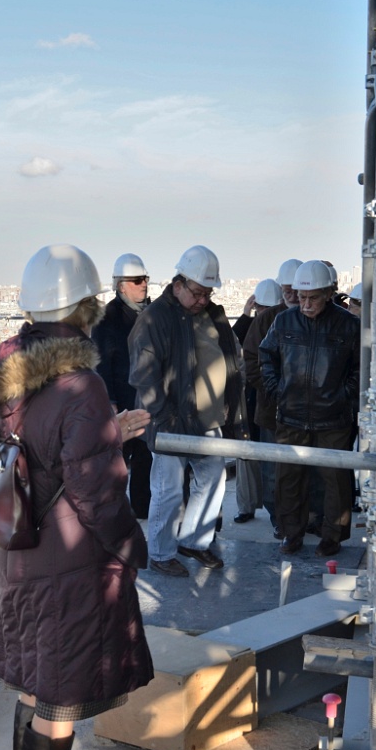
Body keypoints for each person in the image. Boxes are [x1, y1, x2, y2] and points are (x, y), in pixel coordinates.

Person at [0, 244, 154, 750]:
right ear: (84, 309)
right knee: (59, 703)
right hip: (68, 565)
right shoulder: (80, 385)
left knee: (34, 684)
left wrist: (108, 430)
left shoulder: (9, 371)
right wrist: (131, 547)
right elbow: (94, 489)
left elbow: (38, 450)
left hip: (19, 551)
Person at [128, 244, 246, 577]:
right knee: (167, 492)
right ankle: (161, 553)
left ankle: (194, 540)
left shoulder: (212, 314)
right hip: (170, 423)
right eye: (198, 292)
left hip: (207, 420)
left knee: (212, 481)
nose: (203, 299)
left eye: (208, 292)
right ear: (178, 284)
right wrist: (164, 419)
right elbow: (142, 375)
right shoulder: (155, 318)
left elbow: (231, 360)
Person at [259, 260, 361, 557]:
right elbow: (266, 356)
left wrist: (343, 395)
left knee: (336, 480)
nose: (305, 304)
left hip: (334, 417)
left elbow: (360, 366)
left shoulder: (348, 324)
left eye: (312, 297)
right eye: (301, 297)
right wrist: (278, 390)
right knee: (289, 478)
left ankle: (333, 536)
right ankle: (292, 533)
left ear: (329, 293)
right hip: (291, 416)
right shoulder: (283, 321)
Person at [242, 259, 301, 537]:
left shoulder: (320, 317)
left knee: (306, 467)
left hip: (311, 413)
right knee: (272, 470)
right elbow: (251, 360)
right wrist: (271, 392)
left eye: (294, 287)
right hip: (272, 411)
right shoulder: (267, 320)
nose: (289, 292)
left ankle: (303, 517)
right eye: (285, 287)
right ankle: (280, 519)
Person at [92, 253, 153, 519]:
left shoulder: (151, 313)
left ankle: (141, 511)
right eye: (137, 280)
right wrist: (110, 402)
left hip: (147, 400)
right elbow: (102, 364)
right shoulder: (106, 319)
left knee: (144, 460)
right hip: (122, 401)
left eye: (145, 279)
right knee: (117, 462)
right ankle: (113, 513)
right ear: (120, 286)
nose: (143, 284)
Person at [231, 278, 282, 523]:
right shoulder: (258, 325)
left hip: (261, 401)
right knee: (248, 455)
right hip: (254, 401)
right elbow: (231, 344)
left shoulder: (281, 323)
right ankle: (249, 507)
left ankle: (253, 507)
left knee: (260, 458)